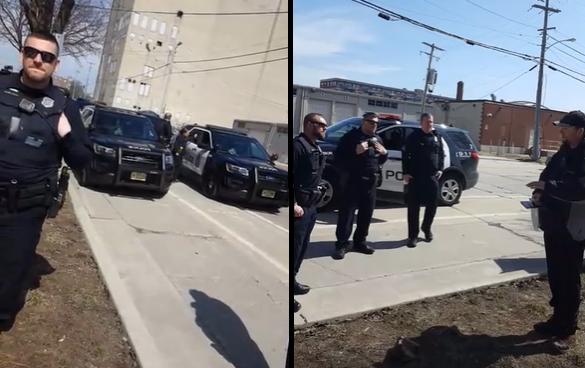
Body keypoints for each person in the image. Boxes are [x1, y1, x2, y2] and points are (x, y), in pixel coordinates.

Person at [0, 32, 92, 326]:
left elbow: (83, 162)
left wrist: (66, 135)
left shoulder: (65, 105)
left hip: (24, 210)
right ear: (22, 54)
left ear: (56, 64)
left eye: (47, 56)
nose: (38, 59)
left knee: (10, 275)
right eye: (32, 52)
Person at [528, 110, 585, 351]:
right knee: (555, 272)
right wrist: (539, 192)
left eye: (565, 127)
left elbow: (579, 188)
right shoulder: (564, 150)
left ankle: (567, 329)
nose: (560, 130)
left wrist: (546, 186)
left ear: (580, 131)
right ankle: (556, 320)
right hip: (553, 221)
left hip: (574, 225)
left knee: (569, 277)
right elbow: (548, 173)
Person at [333, 112, 388, 260]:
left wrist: (384, 152)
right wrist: (355, 151)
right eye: (371, 122)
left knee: (366, 214)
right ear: (364, 122)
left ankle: (360, 242)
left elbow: (380, 160)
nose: (374, 125)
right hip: (353, 181)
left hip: (370, 182)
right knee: (347, 214)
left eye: (376, 123)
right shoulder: (351, 137)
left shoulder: (377, 139)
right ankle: (342, 244)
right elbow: (338, 157)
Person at [293, 113, 327, 312]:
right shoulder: (297, 146)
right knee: (295, 248)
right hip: (300, 208)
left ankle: (294, 280)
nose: (324, 128)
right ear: (308, 125)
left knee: (302, 248)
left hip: (312, 207)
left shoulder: (315, 147)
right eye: (321, 125)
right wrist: (294, 204)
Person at [403, 113, 444, 248]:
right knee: (413, 208)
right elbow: (405, 155)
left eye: (431, 122)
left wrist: (440, 169)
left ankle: (426, 228)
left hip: (432, 177)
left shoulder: (437, 136)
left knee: (432, 206)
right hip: (415, 177)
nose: (429, 124)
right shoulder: (413, 137)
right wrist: (406, 172)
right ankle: (412, 235)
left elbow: (441, 154)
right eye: (427, 122)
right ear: (421, 123)